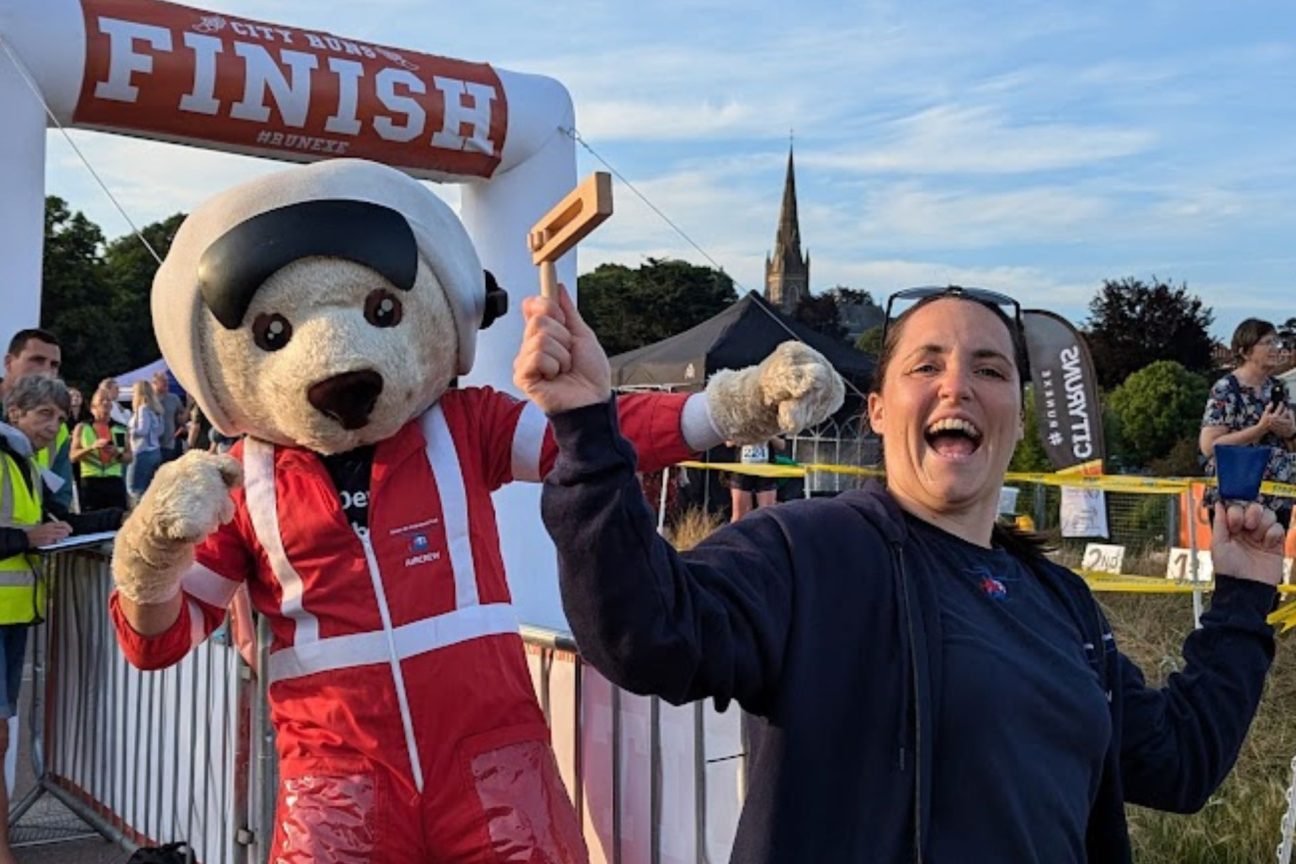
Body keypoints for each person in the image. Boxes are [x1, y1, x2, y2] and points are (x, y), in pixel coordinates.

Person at [517, 285, 1284, 863]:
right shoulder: (807, 552)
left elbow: (1178, 764)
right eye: (929, 364)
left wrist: (1244, 595)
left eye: (990, 369)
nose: (959, 386)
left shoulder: (1062, 604)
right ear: (879, 410)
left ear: (1015, 413)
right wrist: (588, 431)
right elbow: (646, 632)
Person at [0, 375, 121, 864]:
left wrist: (129, 517)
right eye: (43, 415)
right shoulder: (10, 460)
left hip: (12, 618)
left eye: (58, 416)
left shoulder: (24, 463)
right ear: (15, 414)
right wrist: (28, 539)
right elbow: (34, 532)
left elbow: (61, 522)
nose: (54, 426)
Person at [1200, 318, 1296, 526]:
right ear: (1245, 352)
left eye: (1276, 342)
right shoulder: (1225, 389)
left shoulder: (1278, 388)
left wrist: (1290, 432)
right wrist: (1259, 430)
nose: (1275, 349)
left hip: (1277, 499)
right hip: (1236, 498)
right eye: (1267, 343)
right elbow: (1209, 446)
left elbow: (1291, 441)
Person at [2, 330, 73, 510]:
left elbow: (60, 497)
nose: (47, 370)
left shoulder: (60, 429)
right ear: (9, 363)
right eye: (37, 360)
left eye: (54, 365)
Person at [70, 387, 132, 511]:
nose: (105, 403)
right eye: (102, 400)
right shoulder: (83, 427)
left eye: (108, 400)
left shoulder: (121, 429)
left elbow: (129, 457)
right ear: (93, 407)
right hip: (91, 481)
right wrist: (91, 448)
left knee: (118, 520)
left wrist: (117, 453)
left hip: (114, 480)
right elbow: (72, 456)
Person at [728, 436, 785, 522]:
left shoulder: (774, 423)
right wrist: (747, 432)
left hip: (766, 470)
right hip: (741, 470)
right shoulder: (738, 422)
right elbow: (728, 442)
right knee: (739, 516)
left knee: (767, 515)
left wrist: (768, 434)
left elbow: (782, 445)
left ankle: (765, 534)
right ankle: (735, 535)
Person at [126, 380, 163, 504]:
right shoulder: (157, 410)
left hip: (142, 451)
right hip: (155, 450)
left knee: (134, 488)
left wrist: (130, 430)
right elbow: (160, 431)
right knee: (149, 488)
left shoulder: (143, 409)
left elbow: (143, 430)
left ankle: (138, 513)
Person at [151, 370, 187, 462]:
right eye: (163, 381)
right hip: (151, 446)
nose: (166, 383)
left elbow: (182, 419)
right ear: (154, 383)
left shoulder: (174, 398)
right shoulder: (148, 400)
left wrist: (189, 405)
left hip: (169, 444)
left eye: (167, 381)